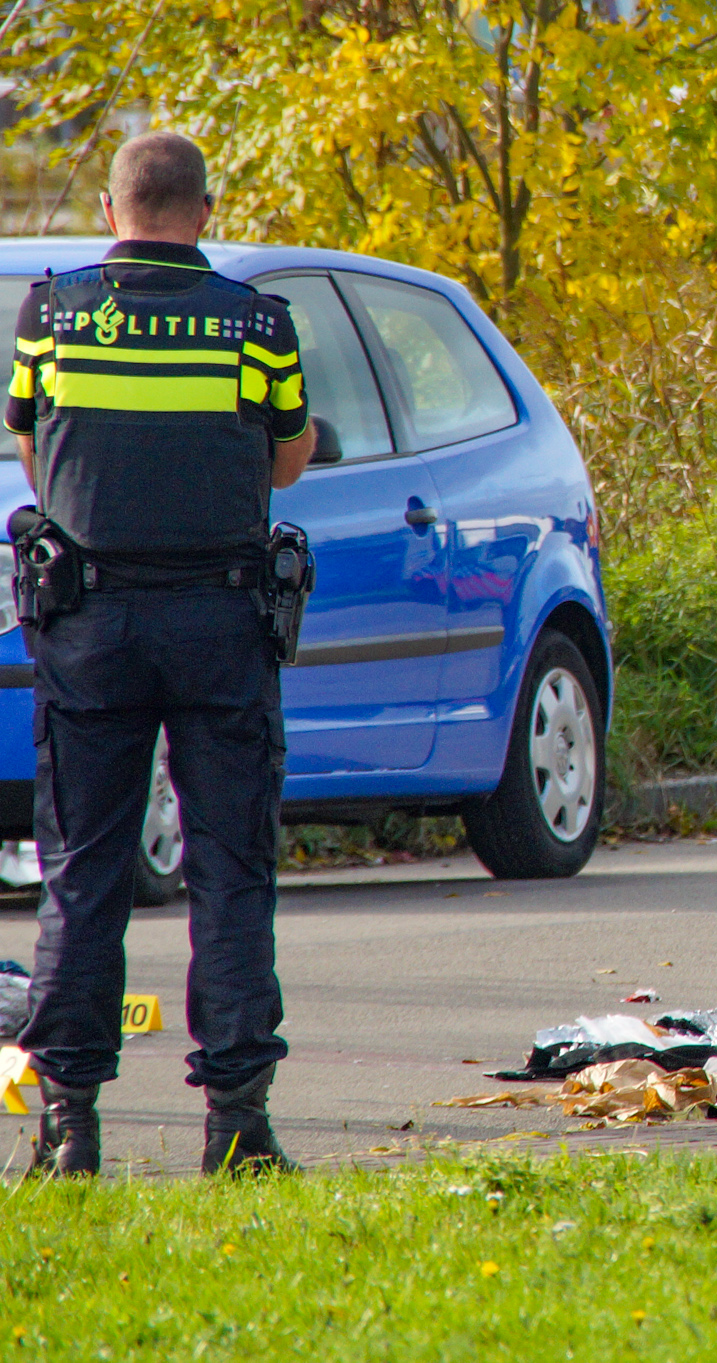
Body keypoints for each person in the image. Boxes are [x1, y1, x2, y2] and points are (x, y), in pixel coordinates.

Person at [10, 131, 316, 1176]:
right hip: (222, 625)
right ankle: (237, 1123)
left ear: (110, 209)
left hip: (88, 625)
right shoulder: (256, 324)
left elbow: (33, 446)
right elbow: (289, 458)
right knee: (231, 872)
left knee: (83, 870)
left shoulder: (48, 314)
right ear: (203, 210)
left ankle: (67, 1128)